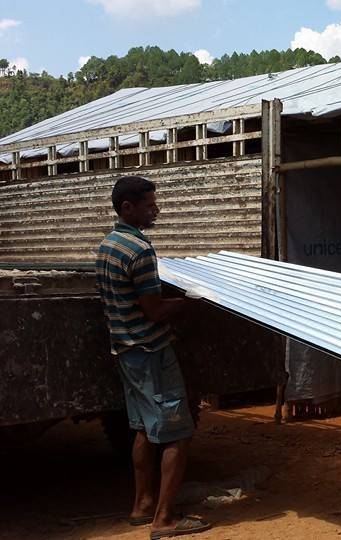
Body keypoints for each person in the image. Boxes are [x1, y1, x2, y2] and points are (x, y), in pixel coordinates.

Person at [95, 176, 211, 539]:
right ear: (127, 208)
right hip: (151, 352)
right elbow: (154, 310)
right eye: (149, 205)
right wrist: (191, 302)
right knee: (178, 434)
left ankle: (142, 505)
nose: (155, 209)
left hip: (126, 351)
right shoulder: (141, 252)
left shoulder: (108, 245)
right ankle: (165, 520)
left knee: (143, 429)